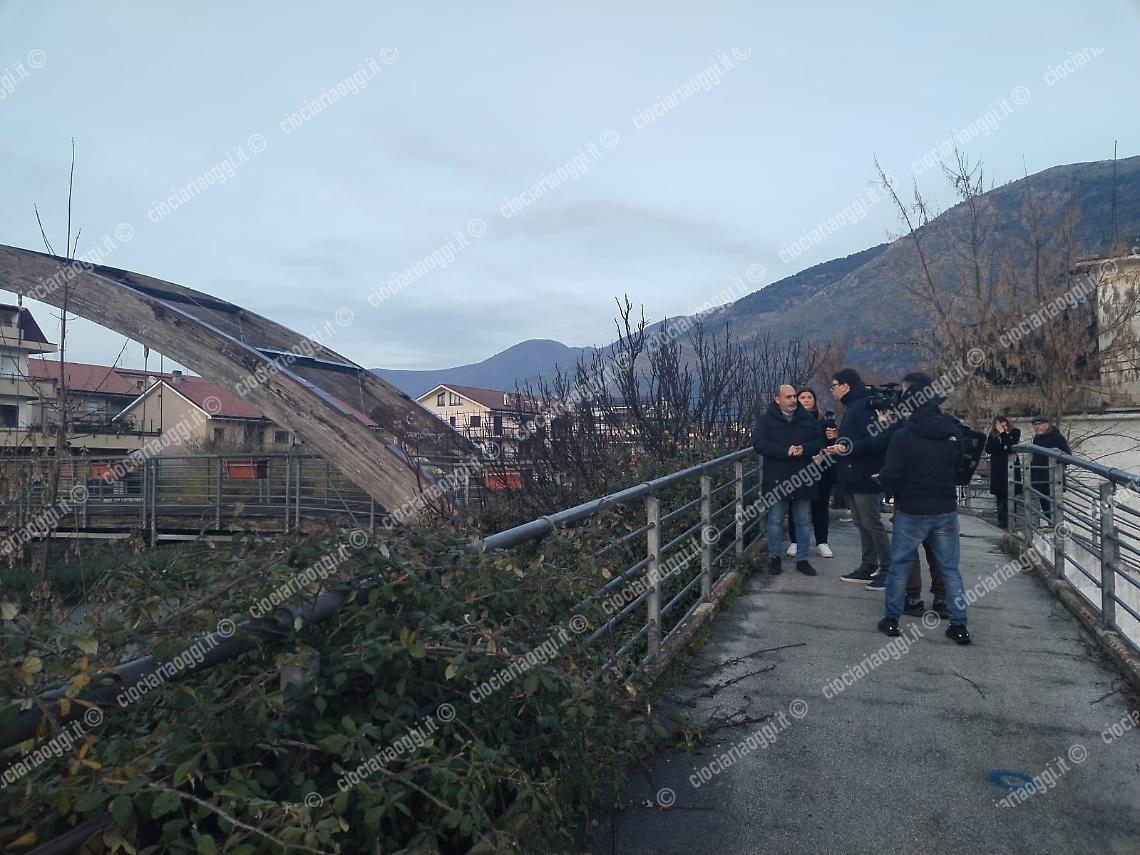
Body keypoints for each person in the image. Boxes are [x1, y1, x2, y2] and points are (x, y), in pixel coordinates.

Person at [874, 372, 972, 645]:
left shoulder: (904, 435)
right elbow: (960, 466)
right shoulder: (952, 431)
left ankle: (892, 621)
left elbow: (892, 472)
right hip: (944, 507)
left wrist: (884, 481)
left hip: (911, 508)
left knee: (900, 566)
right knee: (950, 569)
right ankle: (959, 625)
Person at [825, 369, 892, 585]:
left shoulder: (863, 406)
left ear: (846, 386)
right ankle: (868, 565)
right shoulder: (855, 406)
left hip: (865, 475)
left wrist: (846, 448)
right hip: (853, 475)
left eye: (834, 385)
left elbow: (879, 440)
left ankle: (887, 569)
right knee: (861, 522)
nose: (832, 389)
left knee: (871, 522)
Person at [753, 384, 823, 576]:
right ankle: (774, 558)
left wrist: (804, 449)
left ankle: (802, 560)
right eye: (788, 397)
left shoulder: (807, 420)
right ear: (777, 399)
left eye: (794, 397)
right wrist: (785, 451)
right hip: (777, 476)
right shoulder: (766, 420)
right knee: (775, 519)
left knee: (802, 519)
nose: (793, 400)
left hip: (803, 476)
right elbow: (759, 444)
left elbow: (818, 442)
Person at [785, 387, 837, 559]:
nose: (806, 400)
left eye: (809, 397)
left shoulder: (824, 422)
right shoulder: (790, 421)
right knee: (796, 505)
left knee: (820, 506)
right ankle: (795, 541)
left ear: (815, 401)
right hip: (798, 468)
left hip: (822, 468)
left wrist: (834, 437)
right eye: (802, 397)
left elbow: (834, 444)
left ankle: (822, 541)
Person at [1029, 415, 1071, 527]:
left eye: (1040, 424)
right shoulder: (1036, 439)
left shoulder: (1056, 437)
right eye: (1035, 425)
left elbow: (1068, 456)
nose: (1037, 427)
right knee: (1044, 503)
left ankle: (1057, 526)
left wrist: (1057, 458)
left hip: (1053, 477)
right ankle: (1052, 525)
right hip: (1039, 476)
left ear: (1047, 424)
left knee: (1054, 503)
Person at [985, 416, 1022, 529]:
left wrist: (1003, 435)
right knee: (1000, 495)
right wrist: (1002, 445)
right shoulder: (992, 435)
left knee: (1011, 493)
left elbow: (1011, 445)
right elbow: (989, 449)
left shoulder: (1015, 432)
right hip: (998, 467)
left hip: (1010, 466)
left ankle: (1011, 519)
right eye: (1001, 426)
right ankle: (1001, 520)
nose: (1003, 428)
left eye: (1005, 425)